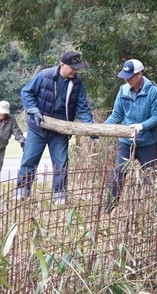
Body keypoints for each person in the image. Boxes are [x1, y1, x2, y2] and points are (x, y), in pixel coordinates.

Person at [15, 51, 94, 204]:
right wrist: (32, 110)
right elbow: (26, 93)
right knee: (29, 160)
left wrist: (90, 127)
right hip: (39, 127)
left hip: (60, 130)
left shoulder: (77, 83)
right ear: (62, 65)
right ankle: (21, 192)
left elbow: (82, 107)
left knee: (61, 163)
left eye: (77, 68)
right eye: (73, 67)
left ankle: (59, 195)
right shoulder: (44, 76)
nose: (75, 71)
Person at [104, 59, 157, 212]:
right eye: (126, 76)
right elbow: (117, 115)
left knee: (149, 176)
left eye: (131, 76)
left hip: (147, 141)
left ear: (140, 74)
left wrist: (141, 126)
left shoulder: (153, 92)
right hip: (126, 141)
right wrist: (101, 129)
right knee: (119, 173)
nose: (127, 80)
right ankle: (109, 208)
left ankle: (149, 210)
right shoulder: (123, 91)